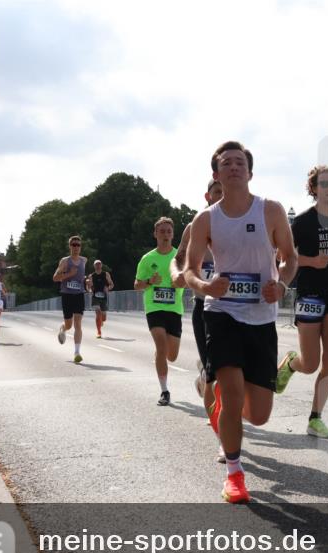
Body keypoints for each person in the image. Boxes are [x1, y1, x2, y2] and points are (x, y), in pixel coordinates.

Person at [182, 140, 298, 503]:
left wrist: (281, 284)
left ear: (249, 171)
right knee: (232, 400)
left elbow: (290, 258)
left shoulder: (271, 211)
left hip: (261, 319)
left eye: (239, 163)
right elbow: (189, 270)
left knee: (259, 415)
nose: (233, 167)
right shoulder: (206, 219)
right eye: (226, 163)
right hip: (223, 315)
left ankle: (227, 407)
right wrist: (206, 286)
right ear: (216, 174)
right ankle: (234, 474)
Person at [274, 165, 328, 439]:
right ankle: (289, 364)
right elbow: (281, 257)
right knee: (310, 363)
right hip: (309, 294)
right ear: (314, 189)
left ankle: (315, 418)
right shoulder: (302, 222)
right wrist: (309, 261)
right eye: (325, 184)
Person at [171, 178, 223, 426]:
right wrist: (176, 273)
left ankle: (206, 377)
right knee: (215, 373)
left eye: (226, 190)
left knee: (231, 370)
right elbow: (177, 257)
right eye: (217, 191)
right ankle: (221, 428)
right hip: (204, 306)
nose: (222, 195)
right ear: (208, 196)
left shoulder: (246, 222)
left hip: (235, 306)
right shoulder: (195, 226)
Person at [135, 218, 185, 406]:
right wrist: (149, 282)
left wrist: (179, 282)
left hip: (174, 309)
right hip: (154, 308)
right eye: (162, 231)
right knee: (161, 347)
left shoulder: (179, 257)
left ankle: (160, 357)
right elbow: (136, 285)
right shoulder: (147, 259)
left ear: (173, 234)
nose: (165, 235)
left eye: (168, 232)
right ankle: (164, 391)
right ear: (155, 234)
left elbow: (189, 279)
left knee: (171, 356)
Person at [52, 236, 86, 363]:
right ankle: (63, 328)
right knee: (69, 325)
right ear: (70, 246)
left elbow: (82, 277)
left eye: (78, 245)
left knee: (78, 324)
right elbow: (55, 278)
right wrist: (69, 274)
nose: (76, 247)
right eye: (73, 244)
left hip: (79, 295)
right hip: (67, 295)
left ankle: (77, 353)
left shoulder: (84, 260)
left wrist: (86, 281)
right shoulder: (65, 261)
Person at [86, 260, 114, 338]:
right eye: (96, 264)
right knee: (98, 314)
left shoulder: (106, 274)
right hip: (95, 297)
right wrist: (90, 290)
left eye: (99, 264)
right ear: (94, 266)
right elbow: (88, 288)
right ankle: (99, 332)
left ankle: (101, 321)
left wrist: (108, 288)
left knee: (103, 318)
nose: (98, 265)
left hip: (103, 297)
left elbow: (112, 284)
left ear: (101, 265)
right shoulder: (91, 276)